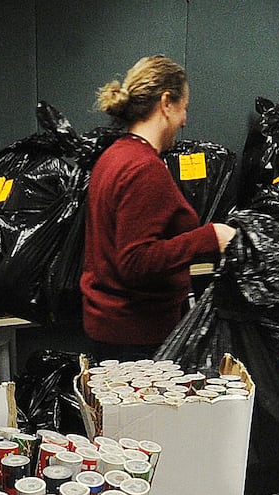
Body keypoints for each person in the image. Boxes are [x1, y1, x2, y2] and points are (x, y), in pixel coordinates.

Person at [81, 55, 236, 357]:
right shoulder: (143, 168)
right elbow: (136, 261)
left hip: (111, 328)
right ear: (166, 103)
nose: (185, 121)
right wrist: (211, 237)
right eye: (184, 109)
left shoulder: (115, 156)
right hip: (135, 336)